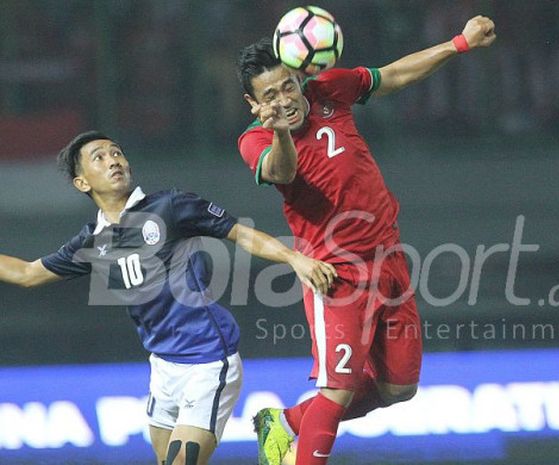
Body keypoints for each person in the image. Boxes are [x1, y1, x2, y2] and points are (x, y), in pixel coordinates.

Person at [236, 14, 496, 465]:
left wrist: (458, 44)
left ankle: (286, 423)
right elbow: (283, 172)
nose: (284, 100)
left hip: (389, 257)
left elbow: (393, 74)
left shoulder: (330, 89)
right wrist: (278, 129)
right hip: (334, 273)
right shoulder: (256, 139)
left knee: (398, 388)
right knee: (337, 388)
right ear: (253, 103)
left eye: (287, 87)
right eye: (269, 95)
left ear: (300, 75)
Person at [0, 131, 337, 465]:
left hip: (207, 360)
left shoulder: (170, 207)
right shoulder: (92, 243)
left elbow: (240, 233)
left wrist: (295, 258)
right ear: (82, 183)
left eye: (116, 152)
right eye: (99, 158)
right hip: (162, 367)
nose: (113, 160)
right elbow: (27, 274)